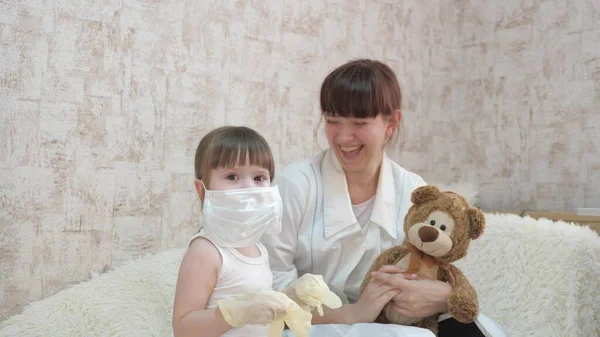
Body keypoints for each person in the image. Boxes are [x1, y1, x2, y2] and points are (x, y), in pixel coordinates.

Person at [261, 59, 509, 337]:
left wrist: (442, 295)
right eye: (332, 121)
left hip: (394, 322)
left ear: (392, 122)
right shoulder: (293, 185)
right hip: (306, 327)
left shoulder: (412, 190)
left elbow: (438, 266)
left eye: (359, 123)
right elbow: (269, 286)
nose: (343, 137)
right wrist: (352, 313)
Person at [172, 126, 315, 337]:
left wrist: (291, 297)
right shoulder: (206, 251)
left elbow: (257, 312)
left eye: (259, 178)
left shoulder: (258, 247)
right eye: (232, 176)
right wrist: (233, 312)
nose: (249, 189)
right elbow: (183, 328)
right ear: (202, 190)